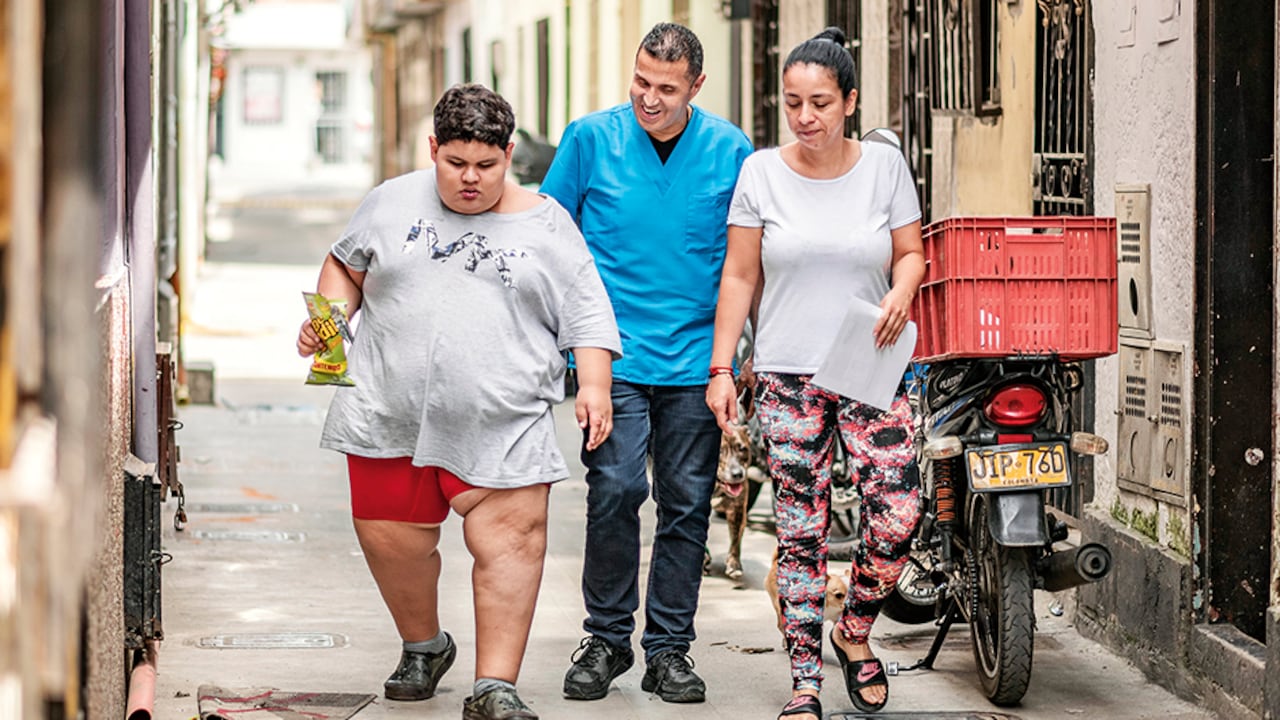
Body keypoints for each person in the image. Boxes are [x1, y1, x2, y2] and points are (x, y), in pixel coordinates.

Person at [296, 84, 621, 720]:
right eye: (456, 163)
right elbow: (344, 266)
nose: (471, 179)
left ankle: (494, 687)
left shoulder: (547, 222)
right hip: (389, 416)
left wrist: (595, 386)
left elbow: (586, 312)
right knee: (394, 543)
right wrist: (328, 332)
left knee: (512, 545)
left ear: (509, 156)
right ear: (433, 149)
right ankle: (425, 646)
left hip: (505, 421)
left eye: (487, 165)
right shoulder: (389, 202)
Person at [704, 27, 925, 720]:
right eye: (794, 102)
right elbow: (740, 274)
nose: (806, 117)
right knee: (800, 530)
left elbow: (912, 253)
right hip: (788, 373)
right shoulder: (762, 173)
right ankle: (805, 682)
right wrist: (721, 367)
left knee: (897, 513)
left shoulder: (885, 168)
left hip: (872, 359)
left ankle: (853, 629)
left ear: (849, 102)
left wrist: (901, 290)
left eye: (821, 102)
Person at [539, 22, 753, 704]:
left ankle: (668, 650)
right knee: (616, 491)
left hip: (697, 360)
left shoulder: (730, 151)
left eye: (666, 88)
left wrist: (732, 365)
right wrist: (568, 349)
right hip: (612, 356)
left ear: (696, 86)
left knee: (688, 504)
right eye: (640, 82)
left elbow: (744, 266)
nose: (649, 99)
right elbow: (549, 241)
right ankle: (605, 640)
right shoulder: (589, 140)